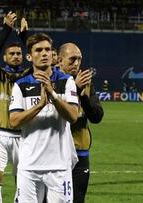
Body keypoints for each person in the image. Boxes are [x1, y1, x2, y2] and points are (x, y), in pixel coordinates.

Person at [9, 33, 79, 203]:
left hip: (59, 166)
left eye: (48, 49)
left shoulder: (66, 81)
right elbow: (14, 121)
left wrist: (52, 95)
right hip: (29, 166)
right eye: (38, 50)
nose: (44, 53)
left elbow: (73, 116)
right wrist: (39, 105)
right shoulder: (21, 85)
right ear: (29, 56)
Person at [0, 12, 29, 203]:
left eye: (19, 53)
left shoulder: (29, 76)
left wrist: (24, 35)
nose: (16, 56)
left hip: (24, 135)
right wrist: (6, 30)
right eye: (11, 53)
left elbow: (39, 55)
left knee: (23, 180)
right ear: (5, 57)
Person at [58, 43, 104, 203]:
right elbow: (55, 117)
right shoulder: (53, 82)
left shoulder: (86, 83)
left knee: (77, 200)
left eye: (79, 59)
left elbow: (97, 116)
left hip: (80, 153)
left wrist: (83, 95)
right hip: (56, 153)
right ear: (60, 61)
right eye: (72, 59)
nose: (76, 64)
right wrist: (74, 89)